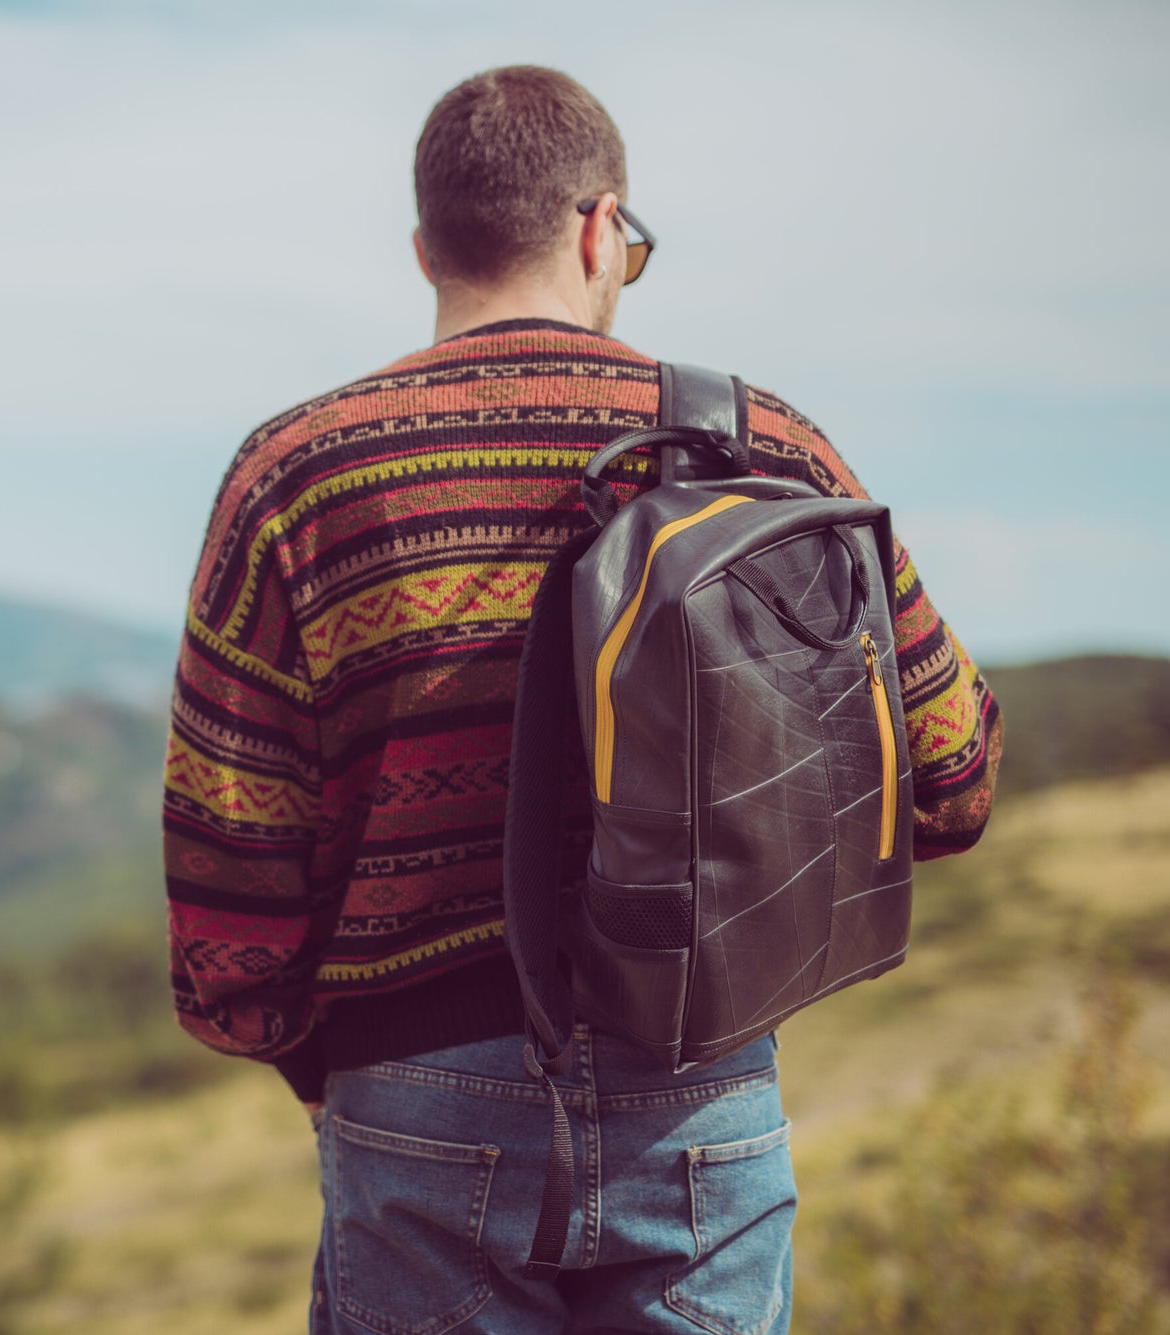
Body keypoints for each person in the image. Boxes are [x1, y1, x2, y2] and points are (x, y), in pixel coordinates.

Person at [160, 64, 1003, 1334]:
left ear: (424, 247)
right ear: (600, 227)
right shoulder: (756, 451)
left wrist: (305, 1050)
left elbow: (230, 851)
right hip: (700, 1088)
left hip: (412, 1095)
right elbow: (948, 776)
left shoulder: (298, 472)